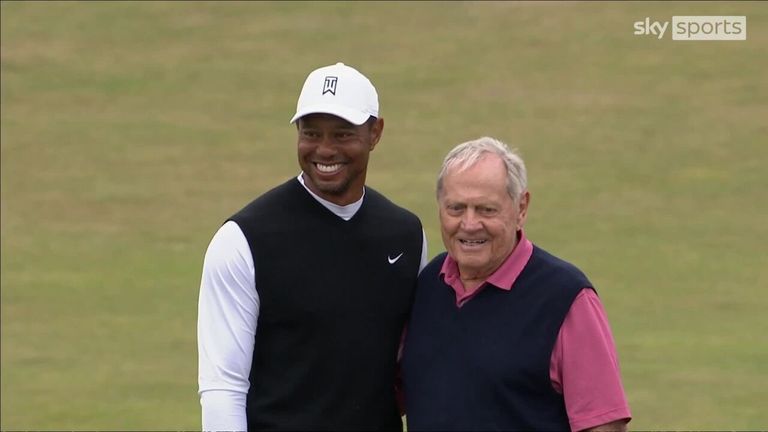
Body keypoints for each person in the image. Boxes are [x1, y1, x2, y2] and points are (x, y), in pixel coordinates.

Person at [197, 62, 428, 431]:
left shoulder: (406, 236)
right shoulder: (243, 240)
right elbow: (223, 387)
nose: (324, 149)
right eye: (311, 133)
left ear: (375, 132)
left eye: (341, 134)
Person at [401, 137, 631, 431]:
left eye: (486, 210)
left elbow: (604, 426)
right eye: (456, 208)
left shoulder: (566, 298)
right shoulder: (428, 286)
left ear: (521, 208)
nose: (469, 224)